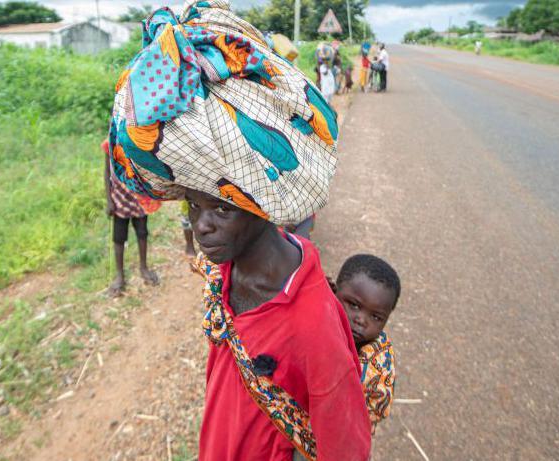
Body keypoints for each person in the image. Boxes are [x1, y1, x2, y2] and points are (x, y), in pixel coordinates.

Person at [108, 3, 370, 460]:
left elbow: (345, 449)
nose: (200, 224)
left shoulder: (313, 326)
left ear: (261, 205)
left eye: (220, 209)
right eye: (193, 204)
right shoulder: (224, 276)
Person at [332, 254, 400, 434]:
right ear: (333, 292)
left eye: (376, 317)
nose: (361, 320)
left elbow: (376, 409)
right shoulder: (319, 315)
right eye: (354, 305)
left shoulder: (378, 363)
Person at [102, 139, 159, 297]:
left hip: (138, 195)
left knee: (142, 232)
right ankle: (120, 275)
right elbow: (107, 172)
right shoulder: (109, 144)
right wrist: (109, 200)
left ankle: (143, 267)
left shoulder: (135, 140)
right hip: (119, 197)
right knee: (119, 237)